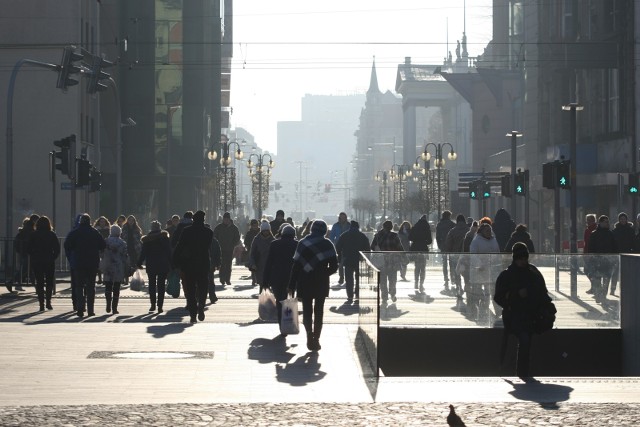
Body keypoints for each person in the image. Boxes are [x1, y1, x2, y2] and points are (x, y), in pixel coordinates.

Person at [494, 242, 552, 379]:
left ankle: (522, 372)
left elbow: (542, 292)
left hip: (527, 314)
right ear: (515, 258)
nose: (523, 261)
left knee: (526, 340)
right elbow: (499, 297)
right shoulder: (518, 274)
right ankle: (523, 372)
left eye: (525, 258)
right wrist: (515, 297)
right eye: (520, 258)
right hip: (517, 315)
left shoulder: (522, 273)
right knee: (525, 339)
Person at [288, 220, 338, 351]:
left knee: (307, 311)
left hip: (304, 281)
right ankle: (317, 338)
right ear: (324, 231)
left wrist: (291, 285)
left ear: (311, 229)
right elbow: (334, 266)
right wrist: (323, 273)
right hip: (321, 282)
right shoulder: (328, 244)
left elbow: (296, 266)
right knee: (319, 311)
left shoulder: (302, 243)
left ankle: (309, 334)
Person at [173, 210, 214, 323]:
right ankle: (201, 304)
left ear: (193, 219)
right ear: (203, 220)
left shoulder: (186, 231)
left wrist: (174, 261)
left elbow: (179, 246)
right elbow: (209, 248)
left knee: (190, 290)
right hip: (203, 264)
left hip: (189, 264)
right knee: (203, 287)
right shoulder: (209, 232)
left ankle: (192, 313)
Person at [64, 214, 106, 317]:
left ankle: (80, 308)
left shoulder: (74, 233)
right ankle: (90, 310)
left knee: (79, 286)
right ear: (89, 221)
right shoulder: (94, 232)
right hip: (92, 263)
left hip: (78, 263)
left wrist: (71, 257)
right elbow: (102, 245)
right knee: (91, 286)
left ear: (80, 221)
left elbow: (67, 245)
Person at [263, 224, 298, 334]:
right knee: (289, 300)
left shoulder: (274, 244)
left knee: (279, 301)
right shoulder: (297, 244)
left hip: (276, 277)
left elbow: (269, 263)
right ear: (293, 235)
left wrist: (265, 281)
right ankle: (288, 323)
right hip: (291, 278)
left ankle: (282, 326)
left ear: (282, 234)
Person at [468, 222, 500, 322]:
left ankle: (496, 310)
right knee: (479, 291)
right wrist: (480, 264)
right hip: (479, 270)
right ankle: (479, 310)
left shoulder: (494, 240)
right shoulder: (476, 241)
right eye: (487, 231)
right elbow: (473, 254)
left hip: (491, 269)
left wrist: (496, 262)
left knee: (491, 290)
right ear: (481, 231)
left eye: (490, 230)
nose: (489, 232)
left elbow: (497, 252)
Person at [138, 221, 172, 313]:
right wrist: (172, 263)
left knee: (152, 285)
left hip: (151, 264)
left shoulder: (147, 239)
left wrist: (139, 262)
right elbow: (169, 251)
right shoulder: (164, 237)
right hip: (163, 264)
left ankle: (152, 304)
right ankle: (160, 306)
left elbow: (143, 253)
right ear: (160, 228)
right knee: (161, 286)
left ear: (151, 228)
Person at [28, 216, 60, 311]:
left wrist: (34, 256)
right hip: (49, 260)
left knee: (39, 282)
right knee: (49, 281)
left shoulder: (33, 235)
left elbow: (28, 249)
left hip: (37, 261)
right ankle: (48, 302)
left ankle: (41, 303)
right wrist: (53, 257)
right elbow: (57, 249)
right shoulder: (52, 234)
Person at [335, 220, 371, 303]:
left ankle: (350, 295)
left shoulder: (344, 235)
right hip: (359, 260)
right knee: (359, 278)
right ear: (358, 227)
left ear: (350, 227)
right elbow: (368, 249)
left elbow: (338, 247)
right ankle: (357, 293)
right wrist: (367, 259)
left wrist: (340, 257)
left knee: (349, 279)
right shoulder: (362, 236)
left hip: (348, 259)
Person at [370, 220, 404, 305]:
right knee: (392, 279)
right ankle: (392, 294)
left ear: (383, 226)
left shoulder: (378, 236)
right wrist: (404, 257)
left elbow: (372, 247)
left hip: (381, 262)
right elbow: (400, 248)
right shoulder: (394, 236)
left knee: (383, 281)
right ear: (391, 227)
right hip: (393, 261)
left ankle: (384, 297)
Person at [586, 215, 616, 303]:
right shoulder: (594, 234)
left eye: (608, 222)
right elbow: (591, 248)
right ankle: (599, 294)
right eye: (605, 222)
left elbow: (614, 247)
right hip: (597, 261)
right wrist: (591, 258)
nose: (607, 223)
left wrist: (614, 259)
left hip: (608, 260)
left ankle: (603, 294)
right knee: (598, 279)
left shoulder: (610, 234)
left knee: (607, 278)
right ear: (600, 223)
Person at [100, 225, 129, 315]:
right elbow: (125, 255)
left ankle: (108, 304)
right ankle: (114, 308)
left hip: (108, 265)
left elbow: (101, 253)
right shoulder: (122, 243)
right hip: (118, 266)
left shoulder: (106, 242)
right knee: (116, 287)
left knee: (108, 286)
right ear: (119, 232)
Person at [213, 212, 241, 287]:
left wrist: (233, 244)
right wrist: (217, 244)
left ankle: (227, 279)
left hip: (229, 249)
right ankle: (222, 279)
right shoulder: (219, 227)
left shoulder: (234, 228)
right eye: (224, 219)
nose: (225, 220)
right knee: (222, 264)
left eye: (227, 219)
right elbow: (214, 236)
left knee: (228, 265)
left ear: (229, 219)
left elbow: (237, 238)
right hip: (220, 248)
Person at [444, 214, 469, 298]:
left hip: (455, 255)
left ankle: (459, 288)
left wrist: (448, 253)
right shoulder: (468, 230)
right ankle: (467, 286)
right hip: (467, 255)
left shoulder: (452, 231)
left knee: (457, 272)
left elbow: (448, 244)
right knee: (466, 273)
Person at [408, 214, 433, 294]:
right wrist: (424, 241)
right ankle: (421, 284)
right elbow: (429, 241)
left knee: (417, 267)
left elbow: (410, 238)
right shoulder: (427, 228)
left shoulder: (415, 226)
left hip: (415, 248)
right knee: (423, 268)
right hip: (423, 249)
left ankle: (416, 282)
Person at [611, 212, 634, 296]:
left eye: (624, 219)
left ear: (626, 220)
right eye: (621, 219)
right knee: (615, 273)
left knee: (626, 273)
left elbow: (632, 242)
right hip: (617, 253)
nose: (623, 220)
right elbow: (613, 242)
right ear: (619, 220)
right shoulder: (615, 230)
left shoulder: (630, 230)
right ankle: (613, 288)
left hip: (628, 254)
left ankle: (625, 289)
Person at [248, 221, 275, 289]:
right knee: (261, 283)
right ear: (261, 231)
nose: (266, 232)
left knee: (268, 284)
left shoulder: (273, 240)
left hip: (270, 264)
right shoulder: (257, 239)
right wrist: (252, 263)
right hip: (259, 264)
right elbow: (252, 253)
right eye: (264, 231)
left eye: (267, 231)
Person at [11, 217, 35, 290]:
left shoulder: (22, 232)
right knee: (26, 269)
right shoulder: (28, 231)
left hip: (24, 253)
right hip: (27, 253)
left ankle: (37, 287)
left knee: (29, 270)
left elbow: (16, 243)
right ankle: (10, 282)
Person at [436, 210, 456, 292]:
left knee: (444, 263)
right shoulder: (452, 224)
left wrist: (439, 245)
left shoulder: (439, 224)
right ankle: (452, 278)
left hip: (443, 246)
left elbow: (437, 236)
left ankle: (446, 278)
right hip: (451, 246)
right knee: (452, 263)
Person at [329, 212, 350, 284]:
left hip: (347, 247)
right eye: (341, 217)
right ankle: (341, 277)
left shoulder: (349, 225)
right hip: (339, 247)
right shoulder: (336, 225)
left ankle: (348, 277)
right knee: (340, 264)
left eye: (344, 217)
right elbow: (332, 236)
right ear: (339, 218)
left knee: (347, 264)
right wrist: (332, 244)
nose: (342, 219)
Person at [121, 215, 142, 279]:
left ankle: (134, 277)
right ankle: (126, 278)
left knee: (134, 263)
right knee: (126, 263)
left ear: (134, 221)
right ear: (127, 220)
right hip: (126, 247)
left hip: (134, 247)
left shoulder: (137, 228)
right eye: (129, 220)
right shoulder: (124, 228)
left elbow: (139, 238)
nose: (131, 221)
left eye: (132, 220)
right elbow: (122, 237)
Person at [583, 214, 598, 294]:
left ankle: (595, 287)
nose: (588, 222)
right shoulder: (587, 230)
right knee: (587, 270)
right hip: (587, 254)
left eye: (590, 220)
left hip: (593, 254)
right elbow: (586, 243)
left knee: (592, 271)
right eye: (587, 220)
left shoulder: (596, 229)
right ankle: (594, 286)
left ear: (593, 221)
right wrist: (584, 254)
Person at [93, 216, 111, 284]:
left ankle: (105, 278)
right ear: (98, 222)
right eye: (101, 221)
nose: (102, 223)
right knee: (98, 264)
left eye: (103, 221)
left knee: (106, 263)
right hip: (98, 248)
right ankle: (100, 278)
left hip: (106, 248)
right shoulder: (96, 230)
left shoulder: (108, 229)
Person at [243, 219, 260, 286]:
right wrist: (248, 245)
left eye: (256, 225)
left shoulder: (260, 232)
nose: (255, 227)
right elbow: (245, 241)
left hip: (259, 251)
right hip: (251, 251)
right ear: (251, 226)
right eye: (254, 225)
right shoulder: (249, 233)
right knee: (253, 265)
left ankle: (257, 279)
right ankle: (253, 279)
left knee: (259, 265)